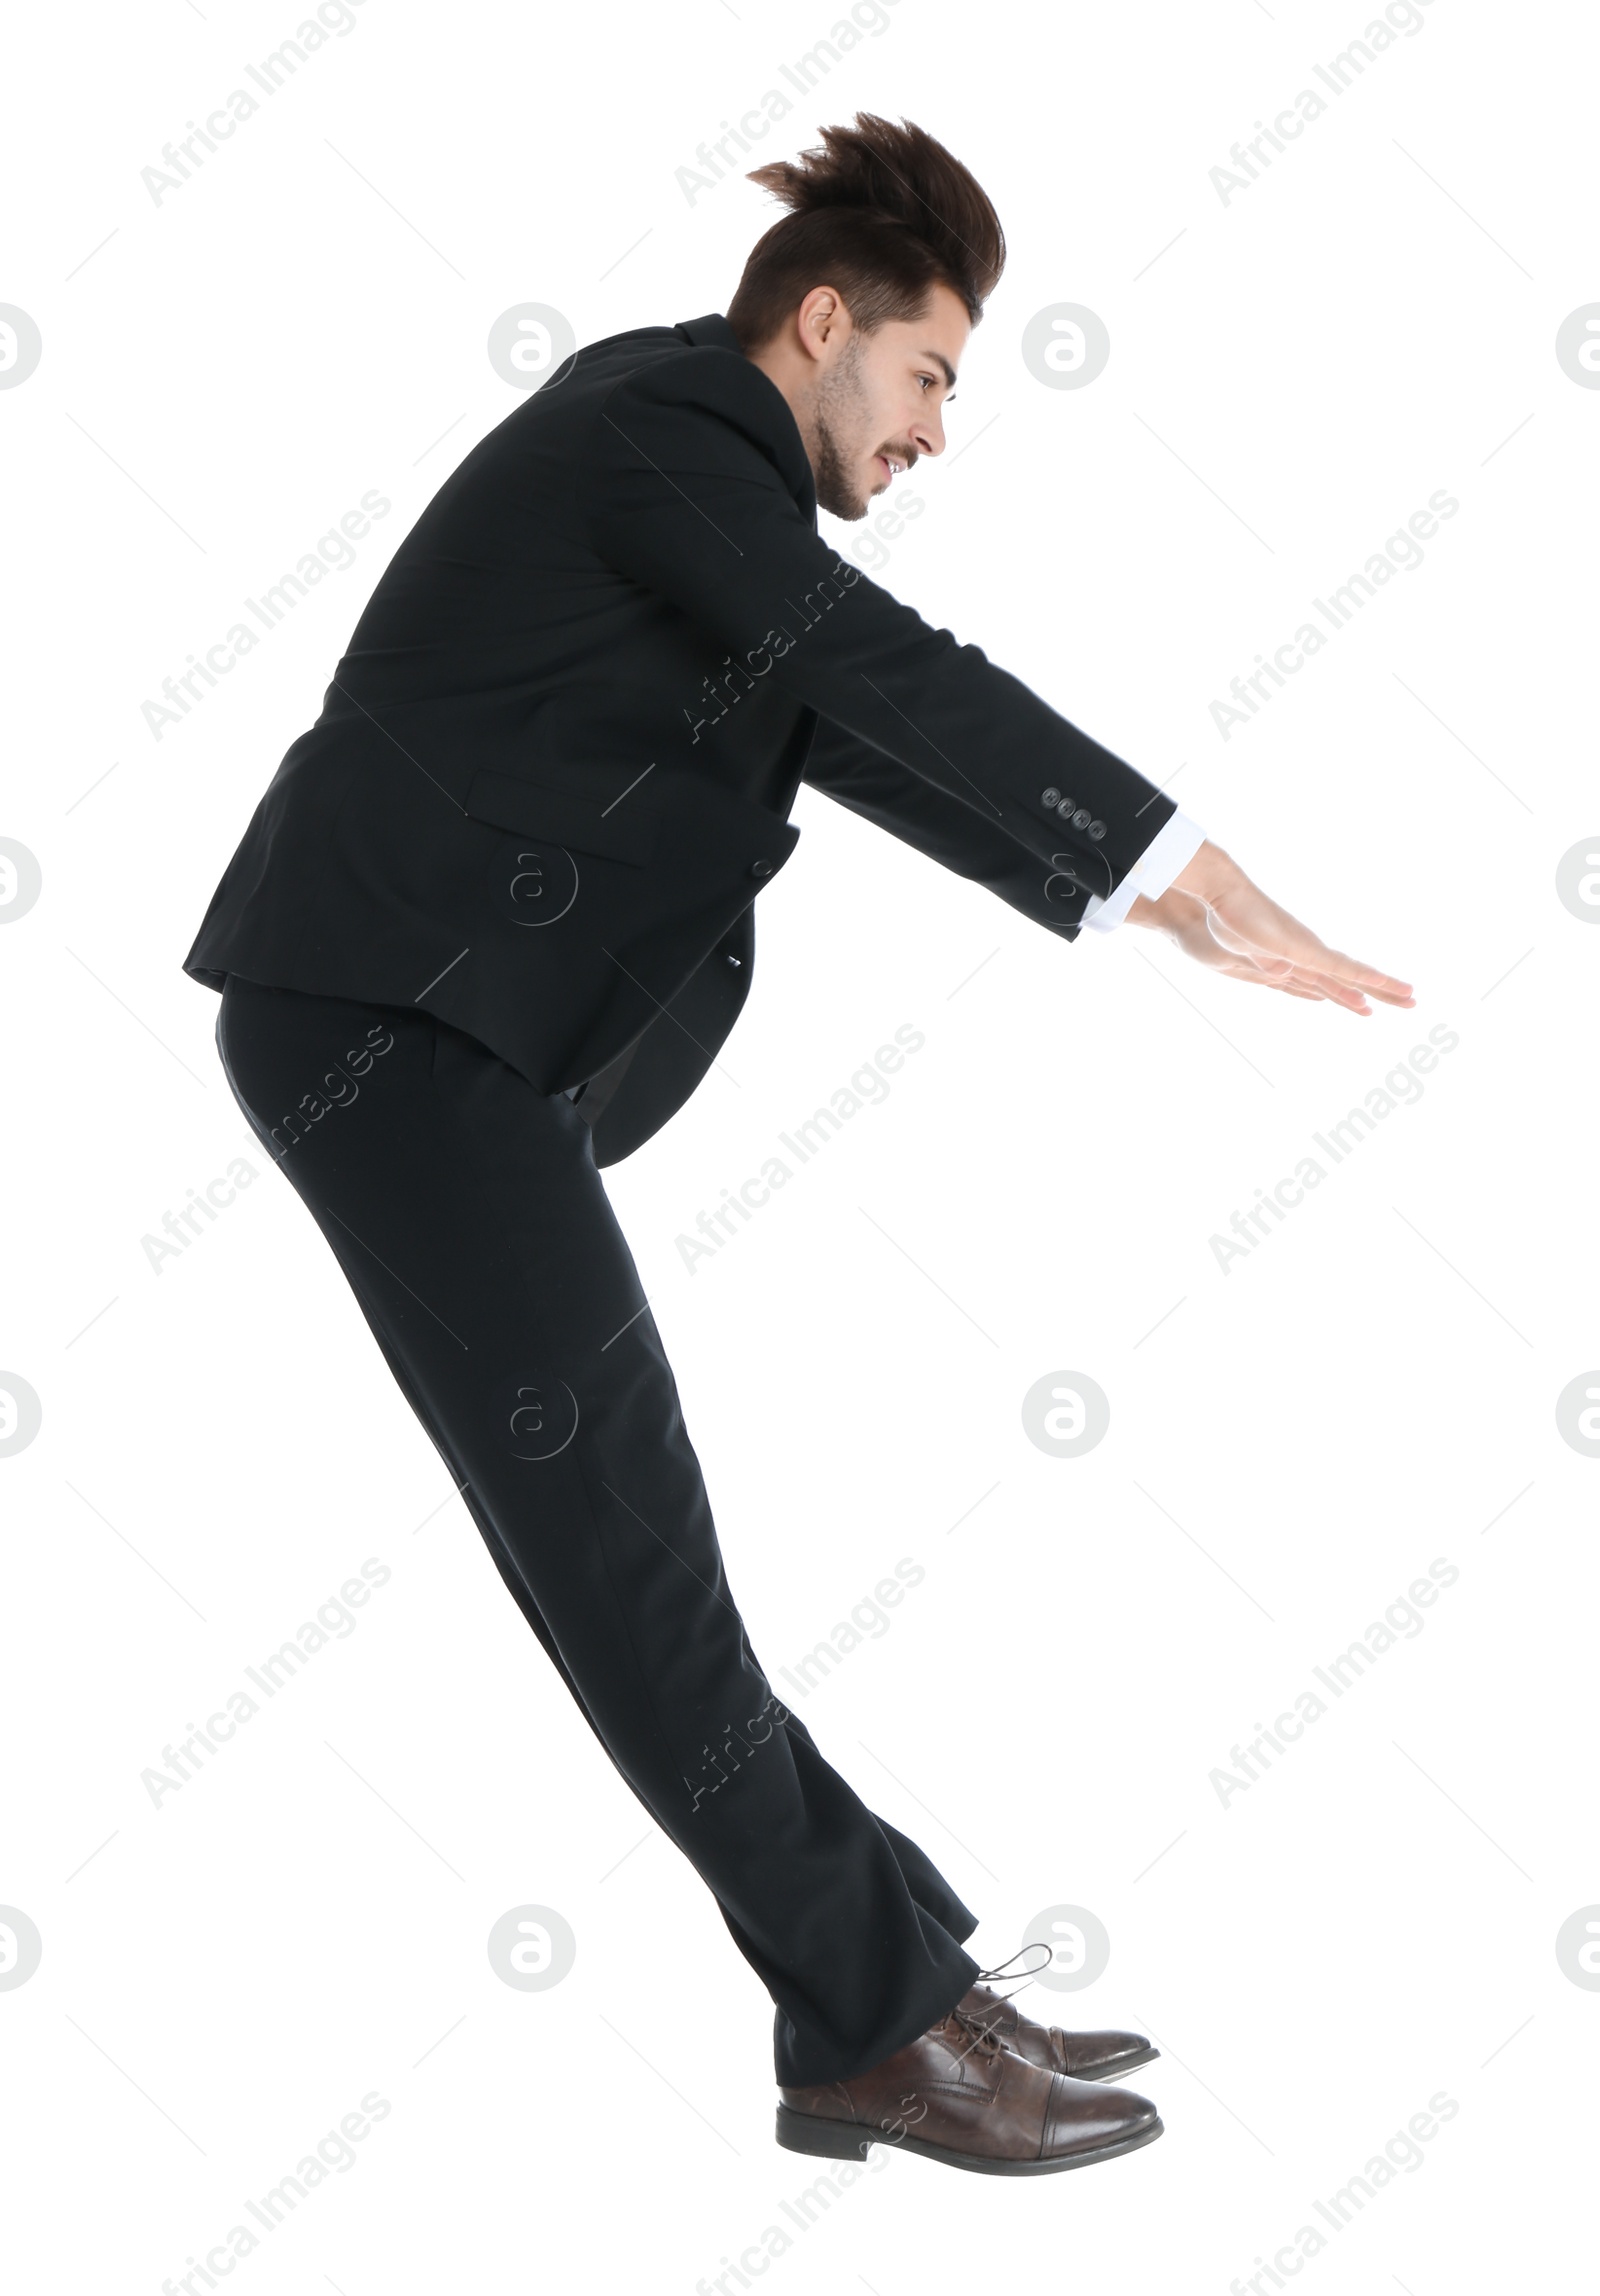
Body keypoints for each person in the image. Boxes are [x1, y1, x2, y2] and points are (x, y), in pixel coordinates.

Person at [182, 113, 1413, 2176]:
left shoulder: (691, 485)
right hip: (391, 1032)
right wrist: (1176, 854)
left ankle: (896, 1968)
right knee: (627, 1551)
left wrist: (1136, 895)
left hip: (425, 1037)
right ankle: (871, 2019)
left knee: (627, 1551)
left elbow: (837, 722)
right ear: (819, 323)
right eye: (929, 373)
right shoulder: (668, 424)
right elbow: (870, 667)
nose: (938, 429)